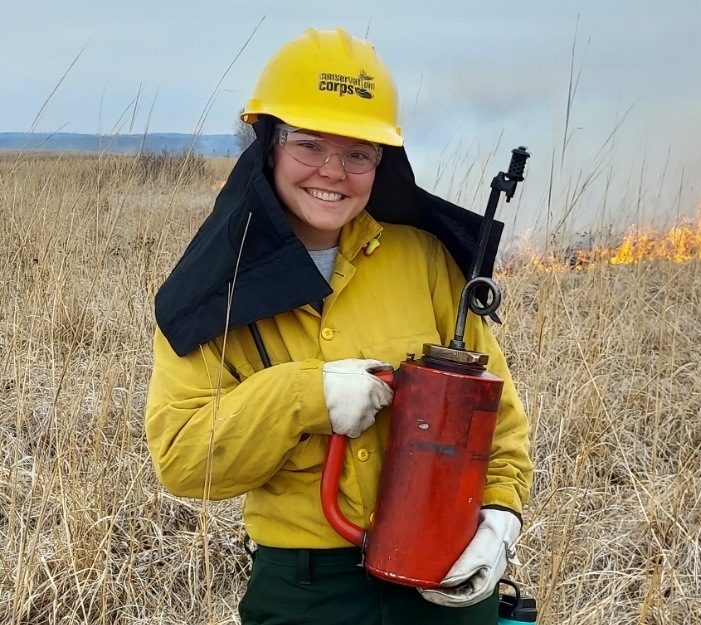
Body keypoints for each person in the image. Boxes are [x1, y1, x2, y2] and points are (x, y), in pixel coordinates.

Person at [145, 28, 533, 625]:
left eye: (358, 153)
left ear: (383, 162)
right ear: (267, 145)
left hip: (445, 574)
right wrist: (307, 396)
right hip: (306, 592)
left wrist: (501, 519)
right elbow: (183, 460)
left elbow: (497, 415)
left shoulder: (423, 260)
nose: (333, 171)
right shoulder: (210, 291)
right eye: (309, 145)